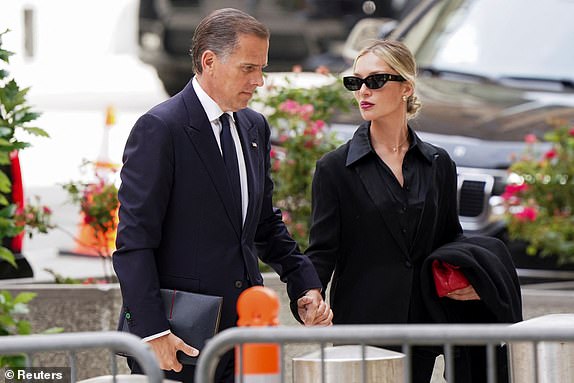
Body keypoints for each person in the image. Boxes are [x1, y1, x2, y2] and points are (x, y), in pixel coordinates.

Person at [113, 8, 332, 382]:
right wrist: (152, 332)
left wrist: (303, 282)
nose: (259, 81)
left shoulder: (254, 126)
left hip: (243, 337)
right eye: (249, 68)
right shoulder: (161, 128)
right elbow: (134, 242)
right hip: (178, 341)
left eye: (261, 68)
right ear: (209, 61)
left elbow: (263, 224)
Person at [305, 40, 521, 382]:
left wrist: (471, 279)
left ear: (406, 87)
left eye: (375, 81)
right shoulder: (335, 168)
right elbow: (322, 250)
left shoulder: (438, 163)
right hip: (362, 327)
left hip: (423, 323)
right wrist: (309, 294)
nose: (363, 90)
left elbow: (449, 240)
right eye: (355, 82)